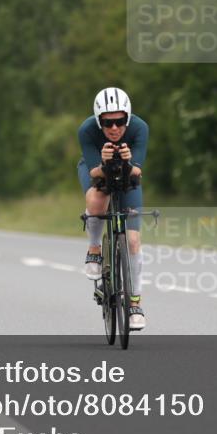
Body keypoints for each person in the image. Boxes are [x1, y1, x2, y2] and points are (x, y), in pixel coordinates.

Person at [77, 87, 148, 331]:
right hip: (96, 169)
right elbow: (94, 172)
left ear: (128, 119)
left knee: (133, 241)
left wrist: (127, 162)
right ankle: (95, 248)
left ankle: (135, 303)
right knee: (97, 202)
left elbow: (138, 171)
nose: (114, 128)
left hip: (128, 173)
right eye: (108, 123)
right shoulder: (87, 130)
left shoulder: (140, 128)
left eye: (120, 121)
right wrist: (104, 162)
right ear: (99, 122)